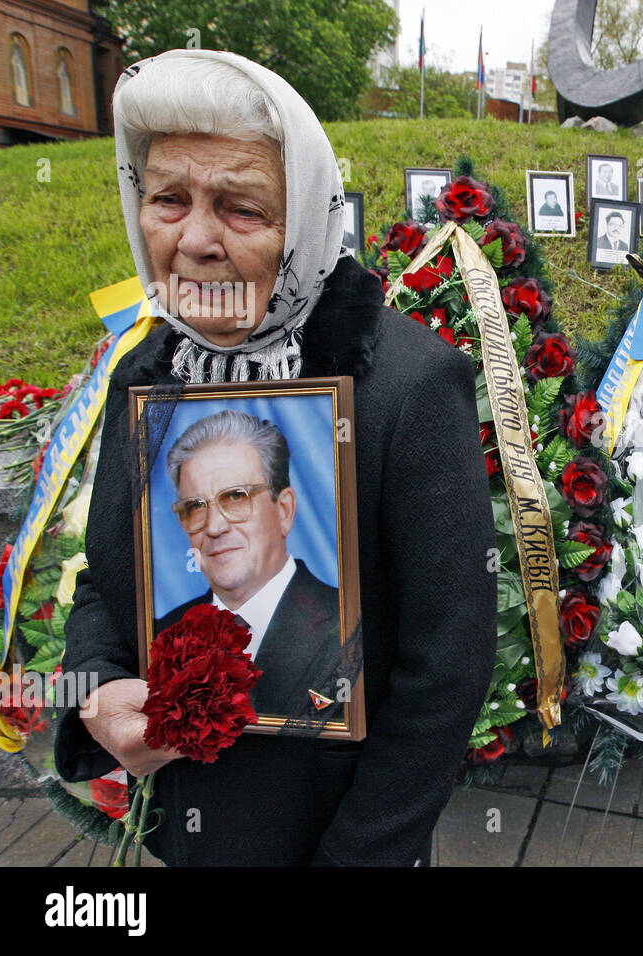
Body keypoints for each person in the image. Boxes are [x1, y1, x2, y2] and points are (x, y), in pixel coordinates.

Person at [54, 50, 497, 866]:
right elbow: (105, 580)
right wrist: (98, 688)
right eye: (168, 200)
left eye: (242, 209)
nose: (194, 241)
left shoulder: (407, 383)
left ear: (305, 215)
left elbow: (448, 664)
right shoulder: (143, 374)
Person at [156, 410, 342, 719]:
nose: (214, 527)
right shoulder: (162, 635)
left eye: (235, 498)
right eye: (195, 507)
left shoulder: (349, 623)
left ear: (283, 510)